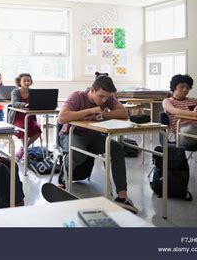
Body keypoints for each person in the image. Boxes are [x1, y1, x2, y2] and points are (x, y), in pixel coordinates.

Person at [57, 75, 138, 214]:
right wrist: (89, 111)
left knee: (117, 149)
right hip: (71, 135)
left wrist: (102, 115)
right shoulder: (77, 96)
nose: (104, 100)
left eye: (107, 97)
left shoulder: (107, 96)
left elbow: (124, 113)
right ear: (92, 90)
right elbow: (62, 118)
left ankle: (122, 197)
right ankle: (63, 177)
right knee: (78, 152)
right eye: (101, 96)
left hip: (93, 136)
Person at [9, 73, 42, 160]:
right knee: (24, 128)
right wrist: (25, 105)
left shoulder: (32, 92)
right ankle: (25, 152)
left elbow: (37, 103)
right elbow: (14, 103)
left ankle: (23, 149)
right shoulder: (15, 91)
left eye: (29, 80)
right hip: (18, 117)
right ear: (19, 82)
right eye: (24, 81)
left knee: (38, 130)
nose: (27, 82)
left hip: (30, 117)